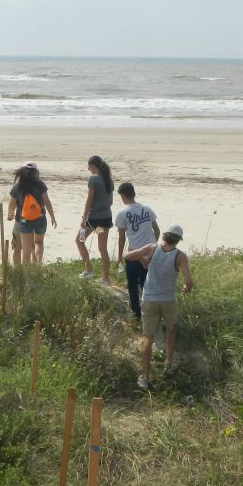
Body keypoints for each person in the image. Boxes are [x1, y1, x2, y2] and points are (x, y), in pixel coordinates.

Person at [123, 224, 193, 390]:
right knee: (172, 328)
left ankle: (144, 377)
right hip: (167, 300)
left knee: (148, 338)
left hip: (148, 300)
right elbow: (188, 281)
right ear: (178, 240)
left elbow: (127, 256)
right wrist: (186, 288)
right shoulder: (180, 256)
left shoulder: (152, 248)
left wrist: (139, 255)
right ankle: (168, 362)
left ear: (164, 236)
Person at [114, 181, 160, 320]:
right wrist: (152, 247)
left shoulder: (122, 213)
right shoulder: (148, 209)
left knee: (132, 285)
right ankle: (151, 312)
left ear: (122, 196)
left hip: (134, 254)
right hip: (150, 254)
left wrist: (119, 257)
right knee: (147, 284)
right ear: (134, 193)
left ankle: (136, 313)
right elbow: (157, 230)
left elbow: (121, 237)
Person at [7, 161, 56, 264]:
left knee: (26, 248)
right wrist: (52, 217)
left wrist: (10, 215)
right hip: (40, 217)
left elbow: (12, 204)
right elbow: (47, 202)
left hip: (23, 219)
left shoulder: (18, 186)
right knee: (38, 243)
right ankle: (37, 266)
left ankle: (25, 273)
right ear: (35, 172)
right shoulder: (40, 185)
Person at [76, 155, 115, 284]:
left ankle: (89, 270)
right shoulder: (108, 179)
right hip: (105, 219)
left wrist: (84, 217)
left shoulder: (94, 179)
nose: (89, 169)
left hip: (93, 220)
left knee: (79, 240)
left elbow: (89, 199)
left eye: (89, 167)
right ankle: (106, 278)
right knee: (102, 248)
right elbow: (110, 201)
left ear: (93, 166)